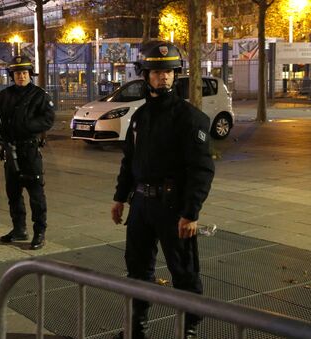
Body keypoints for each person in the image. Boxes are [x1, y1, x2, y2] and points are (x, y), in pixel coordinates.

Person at [110, 41, 215, 339]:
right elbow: (129, 161)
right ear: (145, 75)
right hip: (142, 204)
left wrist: (191, 212)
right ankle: (136, 327)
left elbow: (202, 170)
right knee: (138, 268)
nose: (164, 78)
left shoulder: (190, 118)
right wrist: (120, 198)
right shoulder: (140, 117)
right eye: (156, 72)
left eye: (169, 72)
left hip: (174, 207)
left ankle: (188, 327)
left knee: (184, 271)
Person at [0, 55, 55, 250]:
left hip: (29, 150)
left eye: (24, 73)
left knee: (36, 193)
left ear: (30, 74)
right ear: (12, 76)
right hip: (10, 149)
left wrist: (25, 126)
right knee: (13, 193)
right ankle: (19, 229)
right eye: (17, 73)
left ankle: (39, 232)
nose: (21, 76)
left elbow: (48, 119)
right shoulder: (4, 95)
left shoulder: (39, 95)